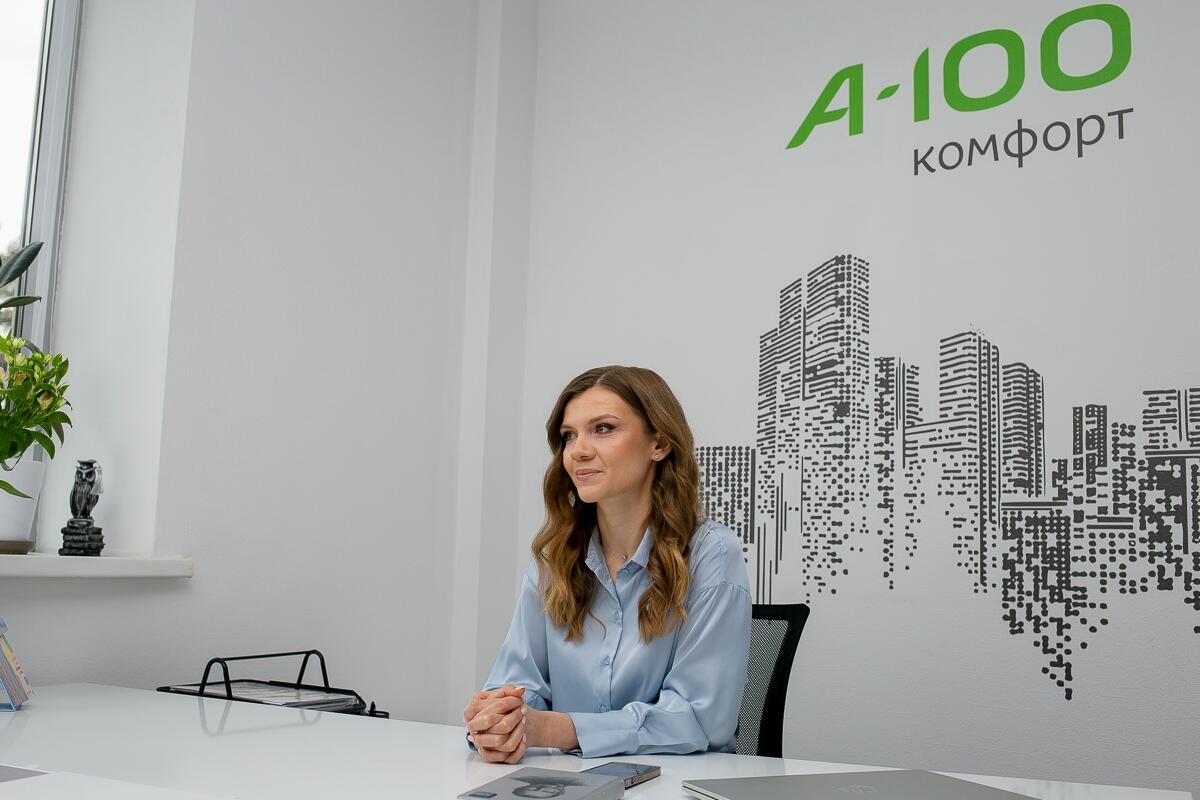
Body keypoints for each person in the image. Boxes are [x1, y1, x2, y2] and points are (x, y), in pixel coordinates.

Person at [463, 365, 751, 763]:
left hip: (676, 782)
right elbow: (517, 686)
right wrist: (499, 720)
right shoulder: (554, 557)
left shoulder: (711, 553)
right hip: (566, 783)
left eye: (603, 428)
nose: (578, 450)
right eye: (569, 435)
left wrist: (559, 729)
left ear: (659, 443)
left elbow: (701, 719)